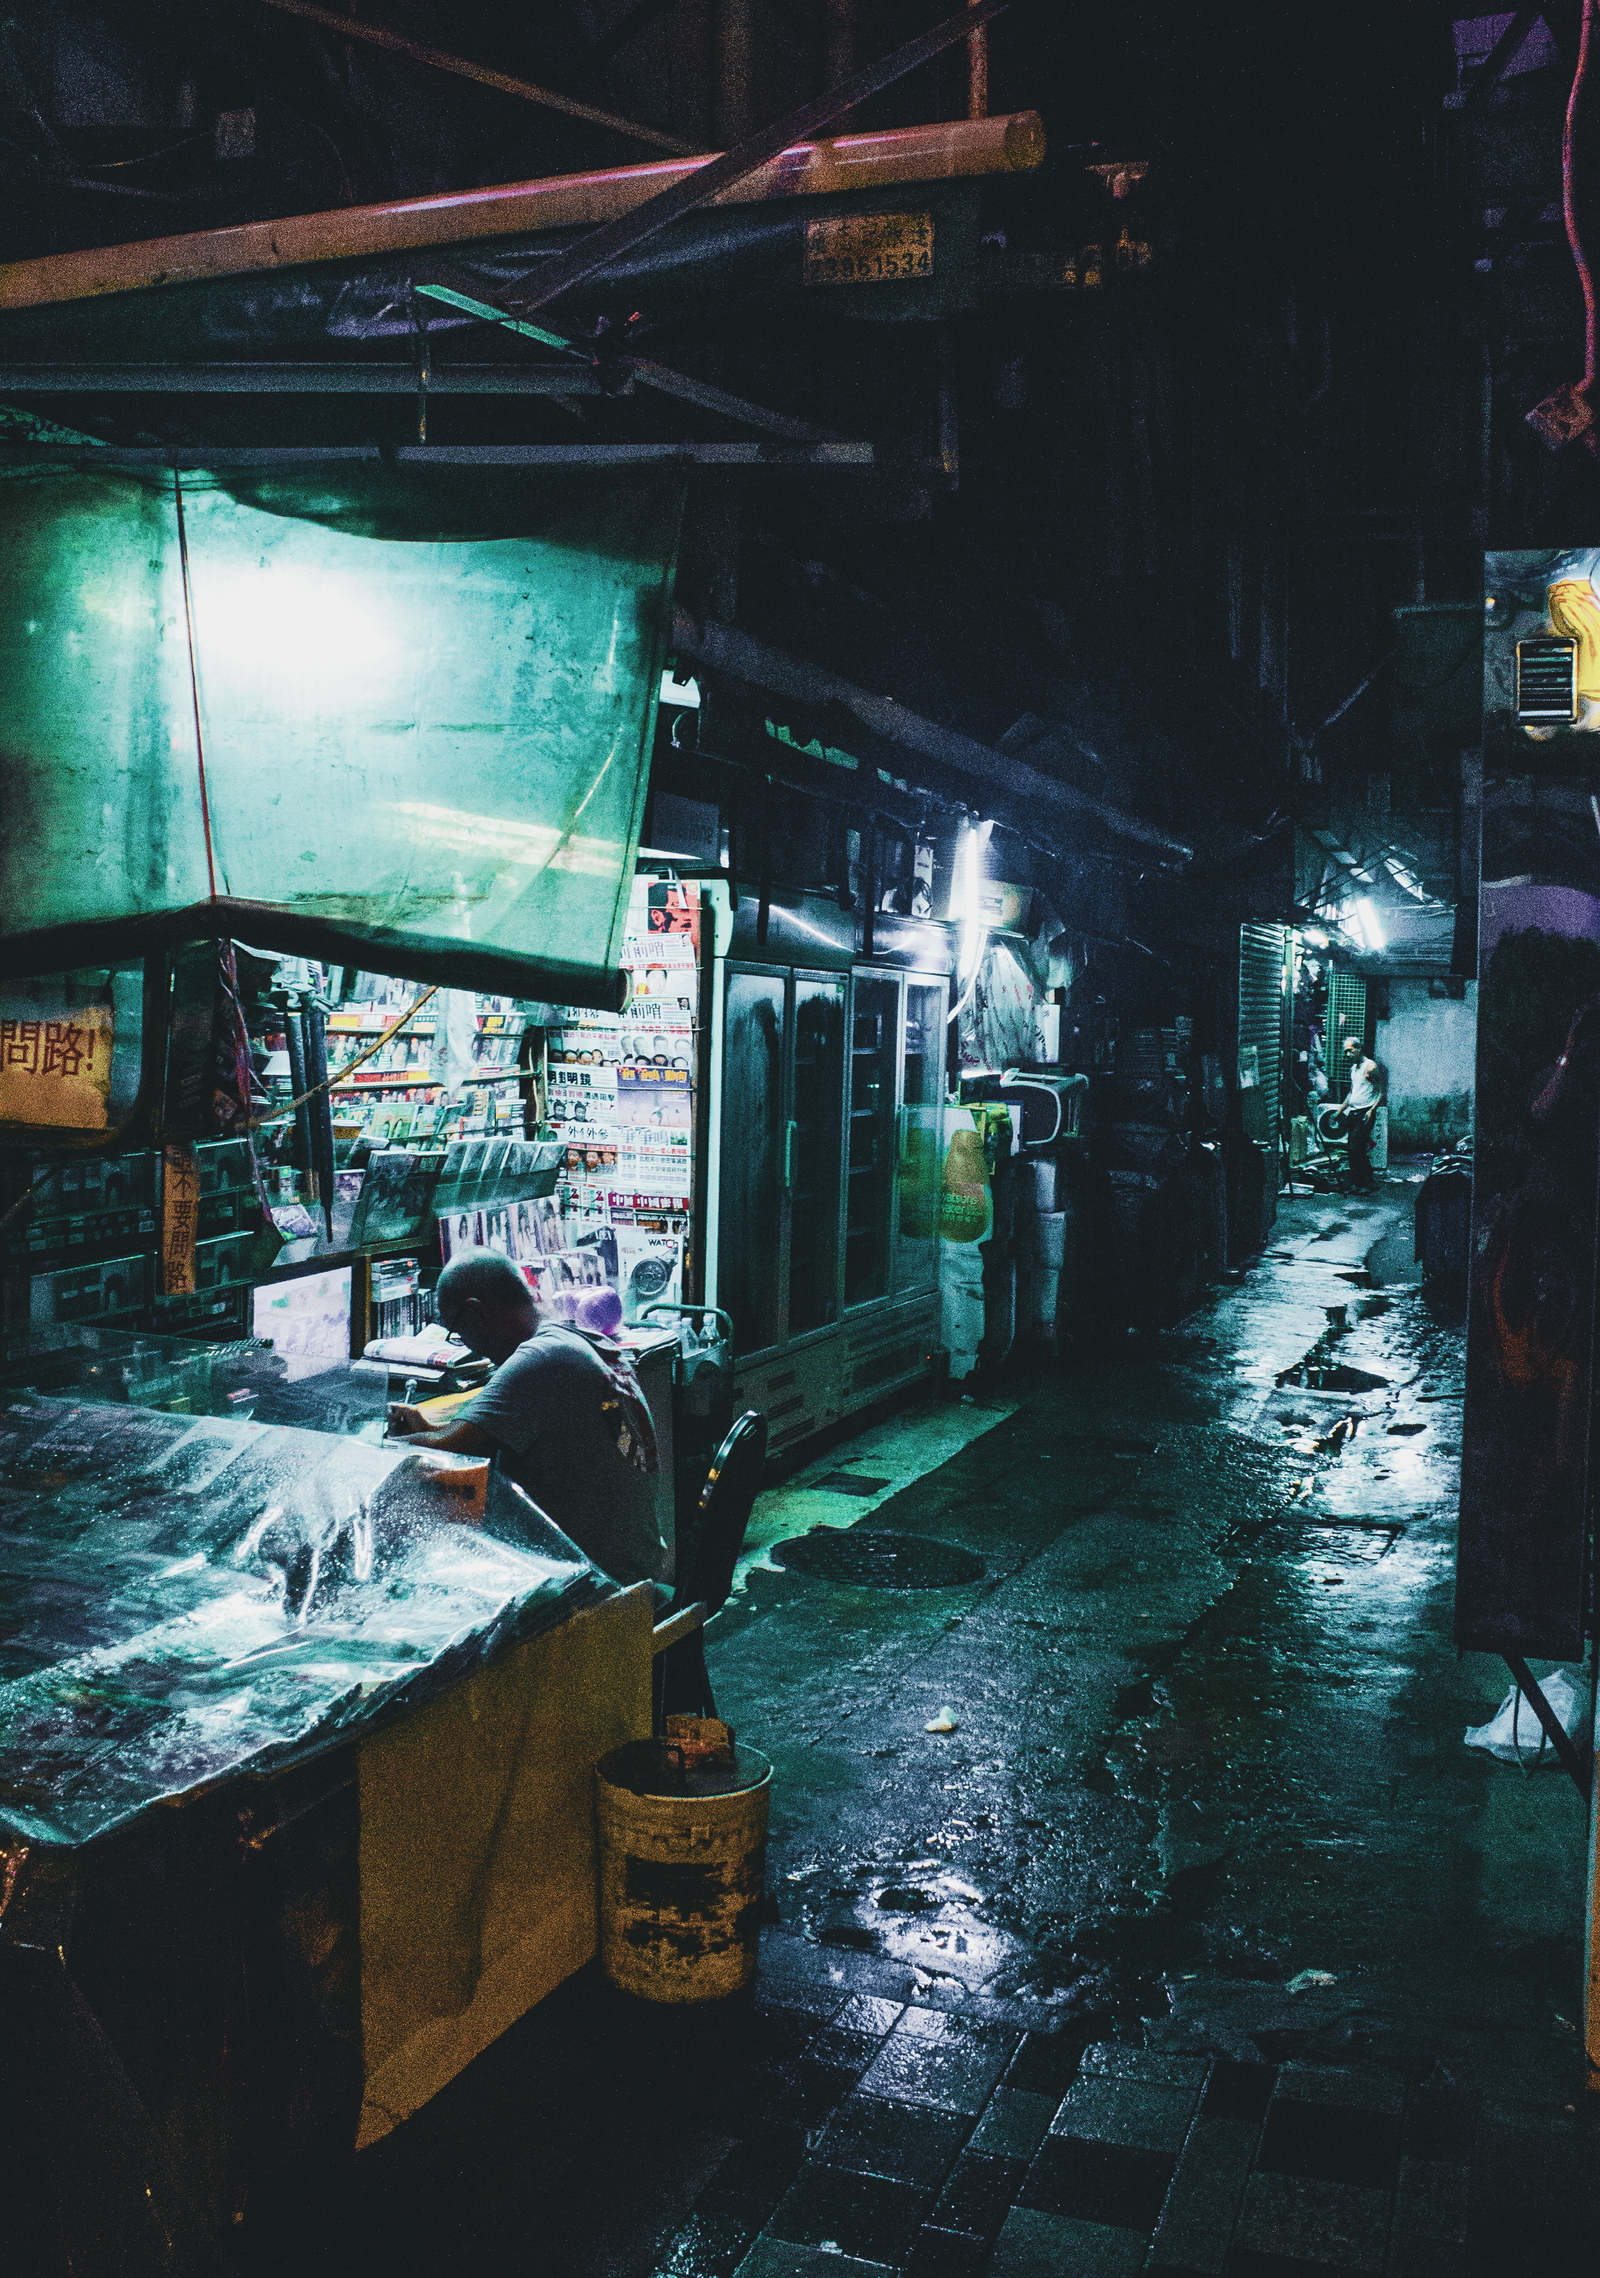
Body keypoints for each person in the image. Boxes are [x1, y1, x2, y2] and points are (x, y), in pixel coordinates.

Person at [386, 1248, 671, 1587]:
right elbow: (459, 1436)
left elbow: (449, 1454)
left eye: (458, 1331)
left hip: (601, 1580)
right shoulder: (569, 1335)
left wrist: (382, 1441)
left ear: (476, 1312)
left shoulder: (541, 1358)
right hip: (631, 1561)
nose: (467, 1345)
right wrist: (427, 1428)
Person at [1341, 1039, 1385, 1193]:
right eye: (1345, 1051)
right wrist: (1341, 1109)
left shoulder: (1370, 1067)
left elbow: (1381, 1091)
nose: (1347, 1054)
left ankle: (1366, 1183)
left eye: (1350, 1050)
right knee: (1352, 1149)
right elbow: (1353, 1092)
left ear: (1359, 1049)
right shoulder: (1354, 1069)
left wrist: (1371, 1110)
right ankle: (1359, 1182)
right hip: (1353, 1112)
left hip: (1365, 1113)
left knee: (1356, 1147)